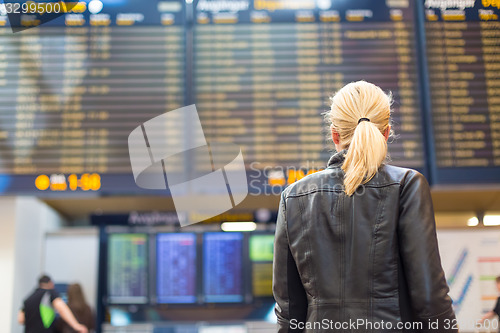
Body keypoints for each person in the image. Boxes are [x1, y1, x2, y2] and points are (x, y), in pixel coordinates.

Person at [273, 81, 457, 332]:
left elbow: (288, 312)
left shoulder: (293, 197)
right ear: (385, 132)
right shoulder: (406, 185)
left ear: (335, 135)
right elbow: (429, 298)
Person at [18, 275, 88, 333]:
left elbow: (21, 319)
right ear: (51, 283)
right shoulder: (49, 293)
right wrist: (76, 325)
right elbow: (61, 308)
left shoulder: (28, 299)